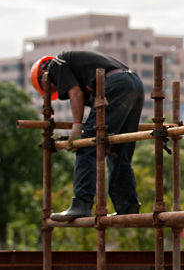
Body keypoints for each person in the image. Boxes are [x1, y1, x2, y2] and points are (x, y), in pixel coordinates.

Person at [29, 51, 144, 220]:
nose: (54, 89)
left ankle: (82, 203)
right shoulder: (76, 68)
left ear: (42, 75)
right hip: (134, 84)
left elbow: (75, 94)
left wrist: (77, 130)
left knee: (87, 145)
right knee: (118, 151)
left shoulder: (54, 66)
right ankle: (127, 206)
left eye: (47, 87)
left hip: (115, 84)